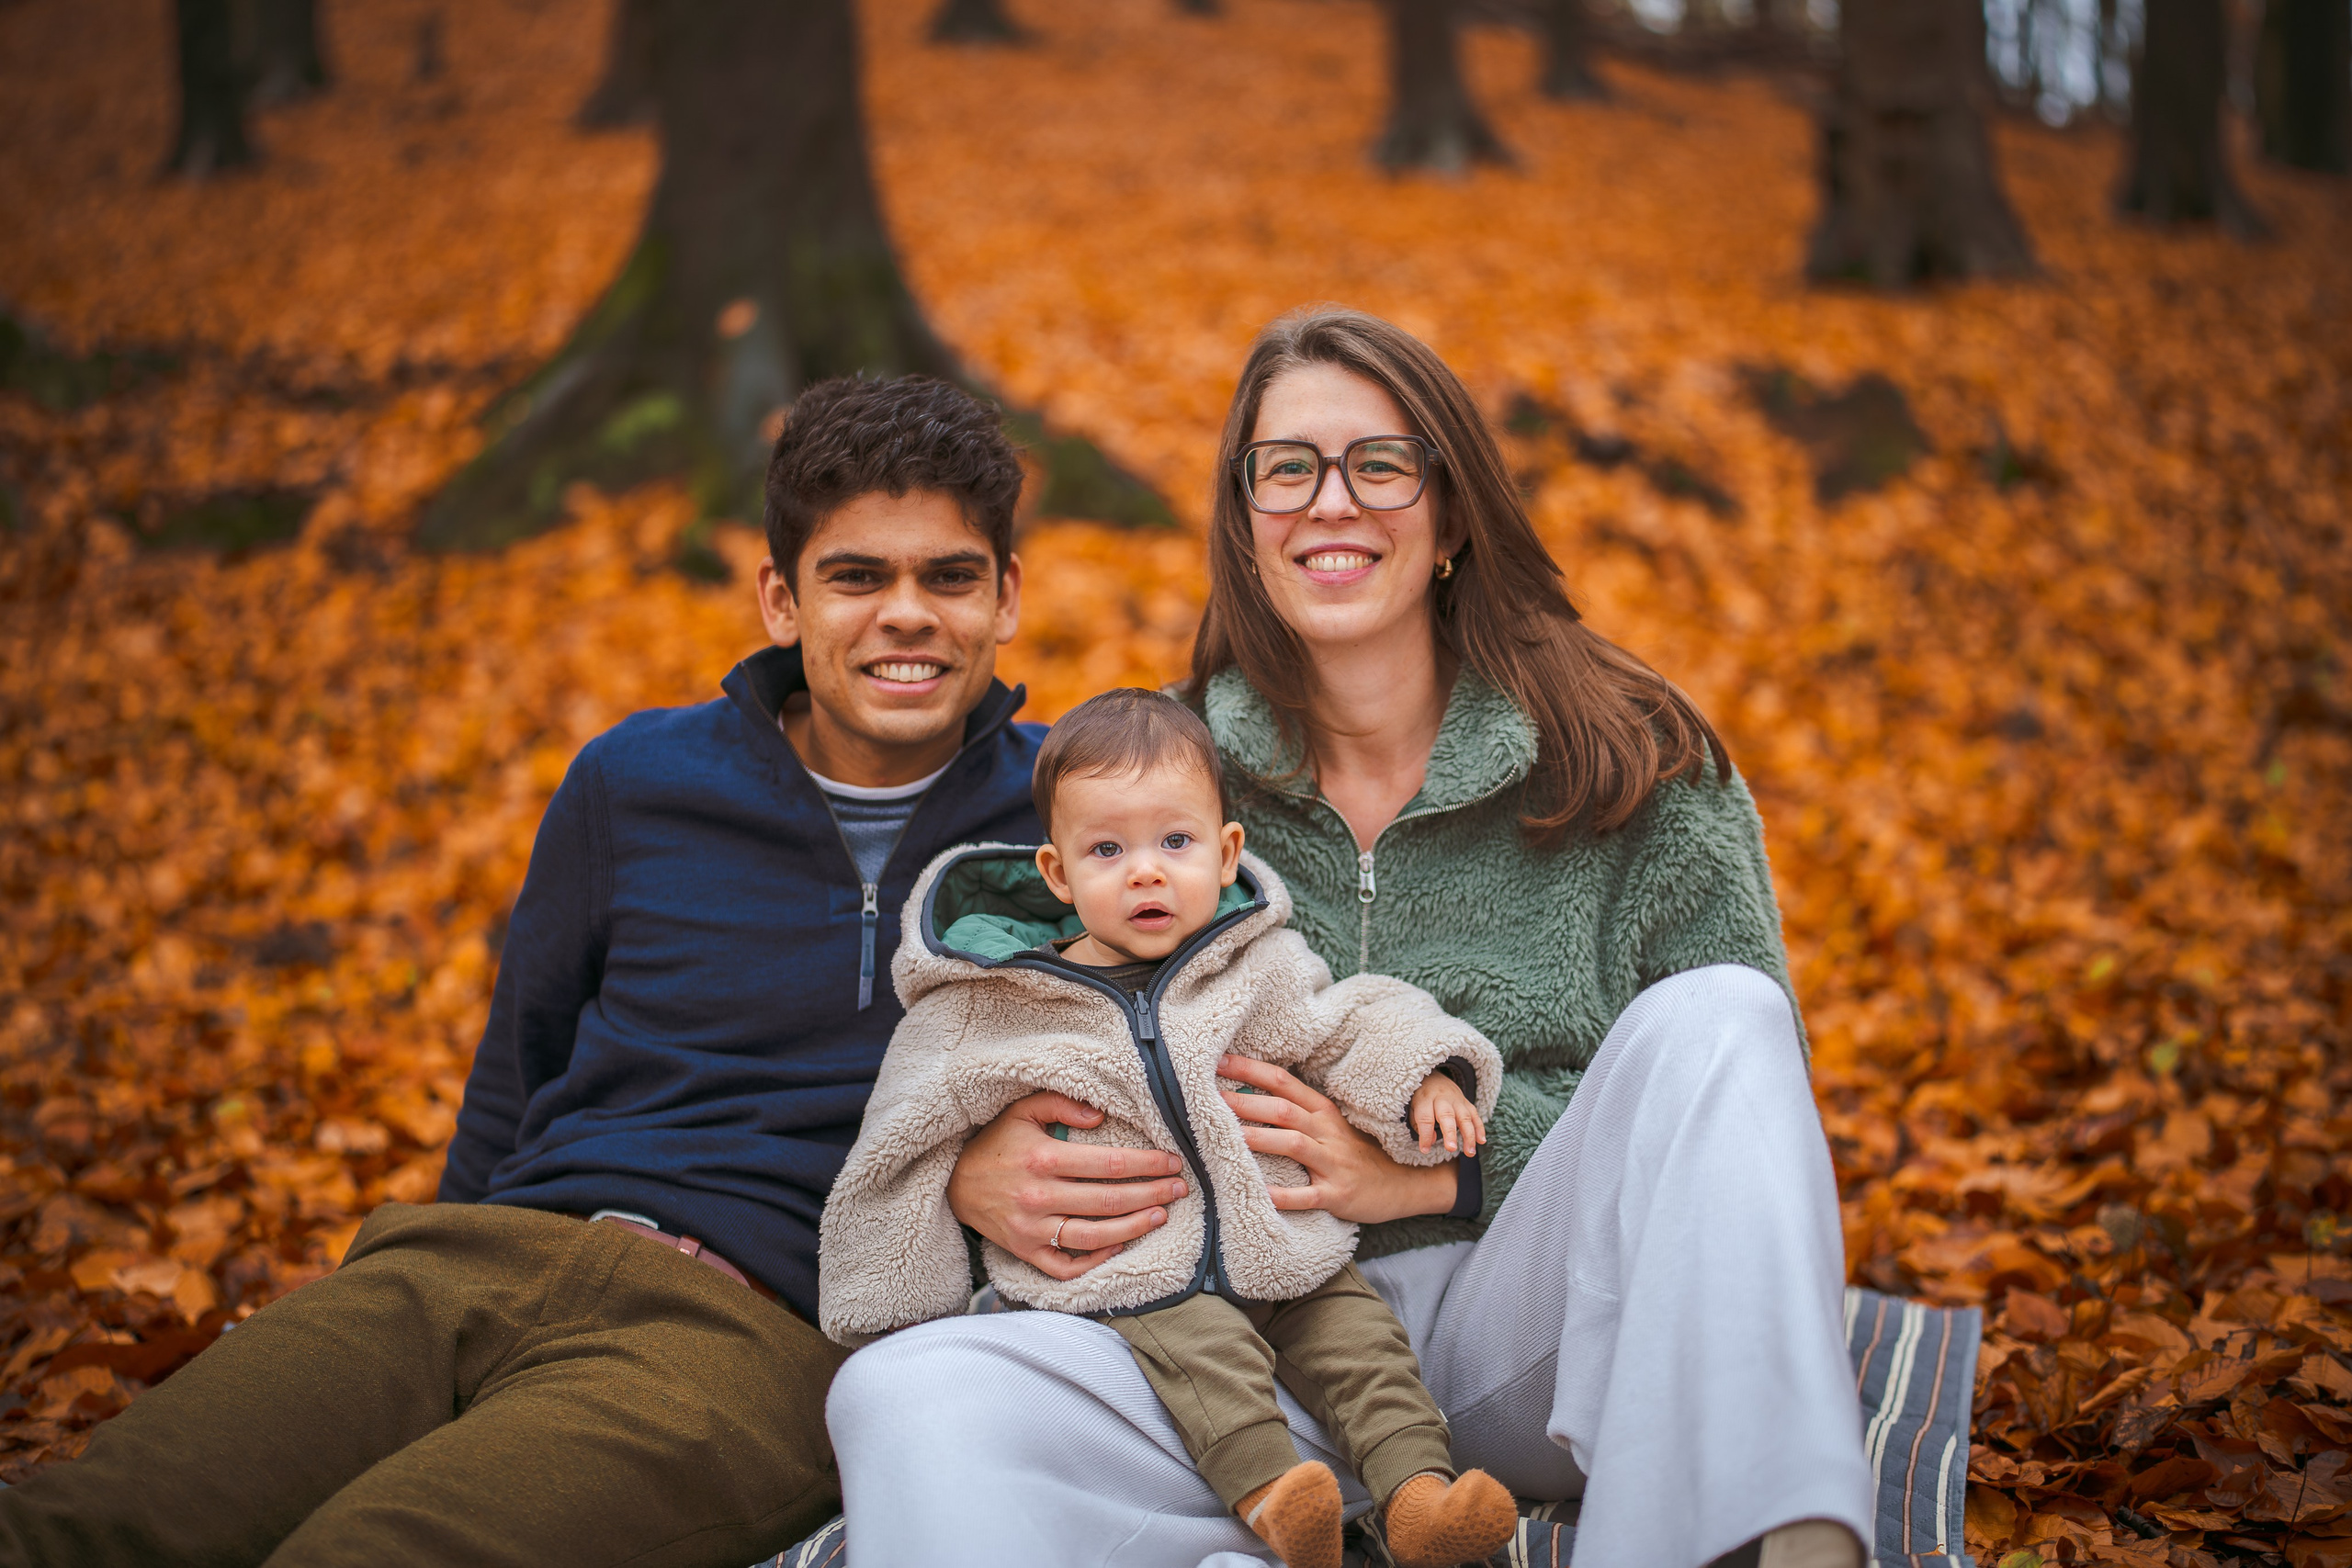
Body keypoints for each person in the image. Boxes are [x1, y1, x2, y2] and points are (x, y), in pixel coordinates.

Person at [823, 310, 1877, 1568]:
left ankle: (1793, 1543)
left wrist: (1437, 1172)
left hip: (1525, 1343)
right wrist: (968, 1174)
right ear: (1244, 515)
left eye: (1381, 463)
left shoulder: (1634, 753)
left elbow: (1732, 1122)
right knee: (902, 1394)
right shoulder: (1159, 788)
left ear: (1453, 508)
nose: (1332, 502)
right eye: (1288, 467)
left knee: (1724, 1016)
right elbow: (1036, 1019)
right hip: (1231, 1364)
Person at [0, 375, 1071, 1568]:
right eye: (858, 575)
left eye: (951, 576)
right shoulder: (634, 780)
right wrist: (418, 1253)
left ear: (1008, 595)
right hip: (473, 1263)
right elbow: (517, 1071)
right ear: (782, 597)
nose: (906, 613)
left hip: (742, 1337)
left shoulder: (1074, 829)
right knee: (88, 1523)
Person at [818, 688, 1516, 1568]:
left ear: (1227, 854)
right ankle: (1275, 1501)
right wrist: (890, 1296)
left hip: (1285, 1246)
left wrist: (1429, 1075)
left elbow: (1347, 1021)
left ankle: (1420, 1500)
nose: (1145, 870)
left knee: (1364, 1342)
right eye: (1108, 849)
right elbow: (900, 1131)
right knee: (1208, 1356)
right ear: (1059, 875)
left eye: (1174, 842)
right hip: (1135, 1270)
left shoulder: (1252, 966)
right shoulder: (998, 1002)